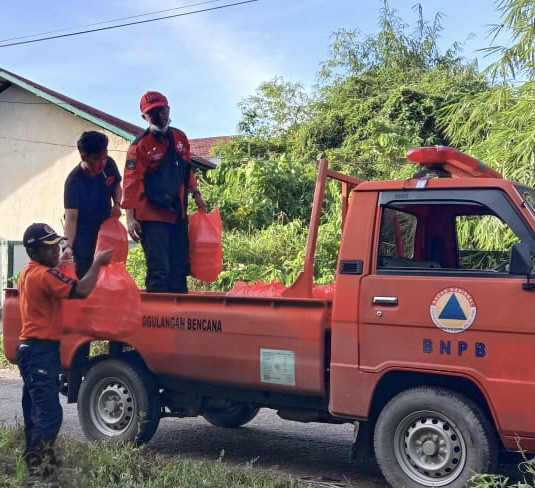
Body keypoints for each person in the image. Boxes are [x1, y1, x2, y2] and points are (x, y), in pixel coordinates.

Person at [122, 90, 206, 293]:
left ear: (168, 109)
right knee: (159, 271)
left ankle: (181, 317)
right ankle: (157, 320)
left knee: (179, 269)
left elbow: (187, 170)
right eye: (153, 113)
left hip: (177, 213)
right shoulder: (140, 146)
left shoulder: (179, 137)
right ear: (144, 117)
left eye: (162, 110)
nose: (160, 116)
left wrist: (196, 194)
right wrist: (130, 218)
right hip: (152, 217)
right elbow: (130, 182)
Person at [63, 131, 122, 278]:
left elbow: (116, 186)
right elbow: (71, 219)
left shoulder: (109, 164)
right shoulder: (74, 182)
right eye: (97, 159)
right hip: (84, 234)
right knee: (85, 273)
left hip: (107, 229)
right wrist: (68, 246)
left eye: (104, 157)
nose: (102, 163)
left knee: (110, 272)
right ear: (84, 157)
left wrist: (117, 204)